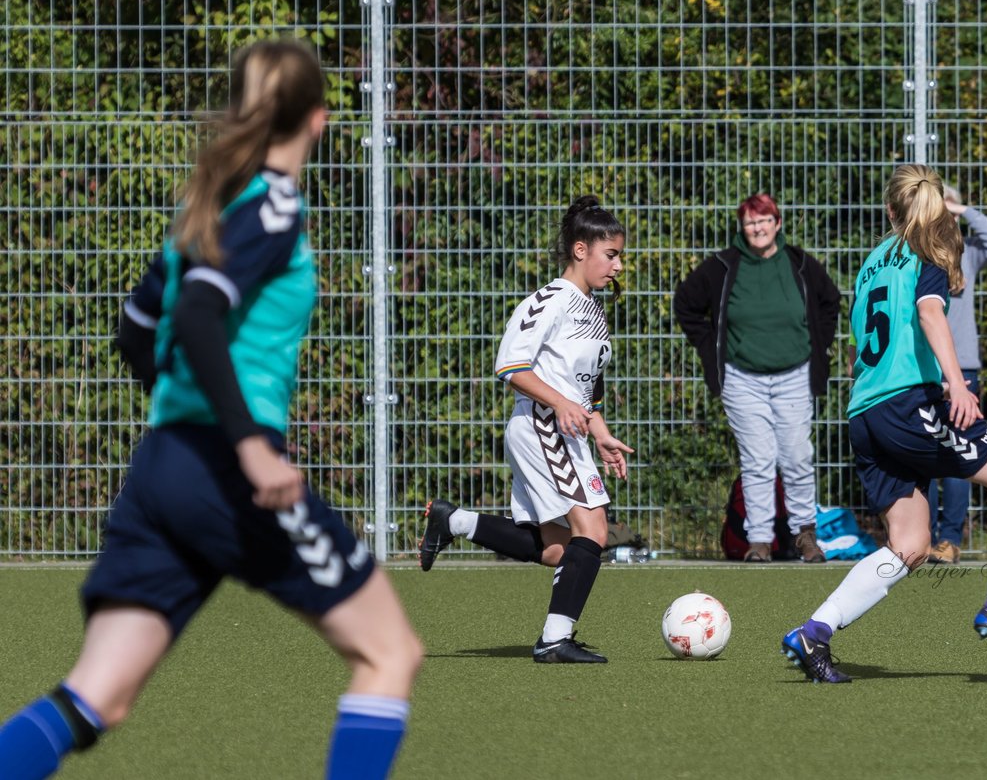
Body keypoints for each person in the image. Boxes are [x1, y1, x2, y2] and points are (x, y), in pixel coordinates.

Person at [0, 40, 423, 779]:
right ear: (319, 121)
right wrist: (250, 445)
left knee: (95, 696)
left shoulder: (206, 209)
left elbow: (136, 331)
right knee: (390, 653)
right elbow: (196, 316)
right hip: (233, 472)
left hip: (166, 466)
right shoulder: (274, 207)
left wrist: (184, 432)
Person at [781, 164, 987, 685]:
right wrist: (957, 385)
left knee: (909, 544)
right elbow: (931, 313)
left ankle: (814, 631)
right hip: (908, 403)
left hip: (864, 413)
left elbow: (861, 341)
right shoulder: (930, 250)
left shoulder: (871, 262)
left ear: (890, 211)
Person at [418, 196, 633, 664]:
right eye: (610, 254)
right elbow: (510, 365)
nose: (618, 265)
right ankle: (555, 640)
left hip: (568, 432)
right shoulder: (549, 301)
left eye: (619, 255)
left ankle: (455, 521)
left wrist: (601, 433)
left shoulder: (593, 311)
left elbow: (585, 392)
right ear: (581, 250)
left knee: (561, 548)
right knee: (593, 530)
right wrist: (559, 405)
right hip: (541, 426)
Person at [673, 194, 841, 563]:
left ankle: (805, 535)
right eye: (750, 223)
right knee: (758, 460)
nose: (758, 228)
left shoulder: (799, 263)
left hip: (795, 374)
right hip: (741, 378)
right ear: (742, 228)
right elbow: (685, 303)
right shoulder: (722, 266)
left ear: (777, 223)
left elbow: (830, 302)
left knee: (797, 455)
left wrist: (817, 345)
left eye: (764, 221)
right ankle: (760, 542)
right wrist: (708, 347)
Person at [924, 183, 987, 564]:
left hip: (964, 370)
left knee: (957, 455)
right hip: (923, 369)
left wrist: (961, 210)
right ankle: (920, 538)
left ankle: (949, 539)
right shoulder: (917, 254)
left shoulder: (967, 254)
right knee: (922, 456)